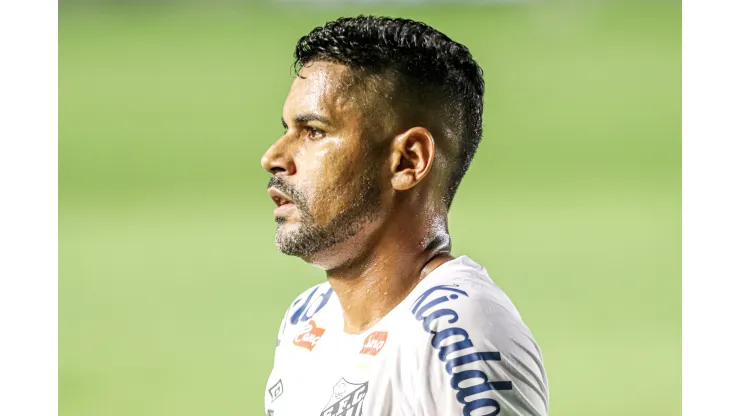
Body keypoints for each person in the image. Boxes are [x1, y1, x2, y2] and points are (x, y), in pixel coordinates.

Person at [261, 16, 548, 416]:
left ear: (408, 160)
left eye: (313, 131)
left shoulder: (455, 332)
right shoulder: (308, 319)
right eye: (286, 129)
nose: (272, 157)